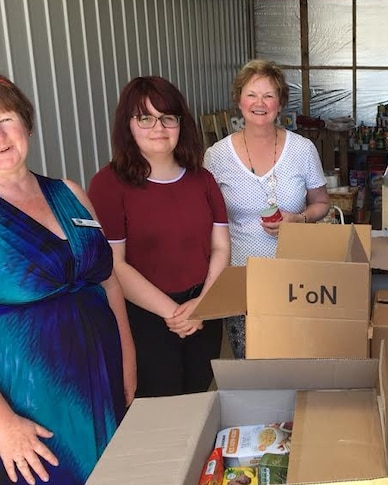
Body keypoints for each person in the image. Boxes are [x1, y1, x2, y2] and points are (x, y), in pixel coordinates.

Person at [0, 71, 136, 484]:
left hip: (101, 387)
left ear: (26, 124)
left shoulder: (70, 192)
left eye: (6, 118)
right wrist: (2, 424)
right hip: (25, 413)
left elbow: (108, 282)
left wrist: (128, 365)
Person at [88, 76, 230, 398]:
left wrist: (203, 304)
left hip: (202, 309)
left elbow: (220, 246)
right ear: (128, 125)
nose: (158, 128)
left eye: (168, 117)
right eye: (145, 118)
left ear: (181, 123)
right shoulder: (109, 184)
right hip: (145, 318)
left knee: (198, 395)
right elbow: (115, 265)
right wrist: (172, 312)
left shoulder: (202, 179)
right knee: (157, 406)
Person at [205, 59, 329, 358]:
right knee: (250, 361)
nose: (259, 103)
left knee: (294, 357)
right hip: (241, 277)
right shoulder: (216, 156)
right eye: (251, 94)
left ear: (280, 103)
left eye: (269, 95)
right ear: (238, 100)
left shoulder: (302, 150)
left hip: (295, 278)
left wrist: (299, 218)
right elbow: (207, 222)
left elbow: (322, 204)